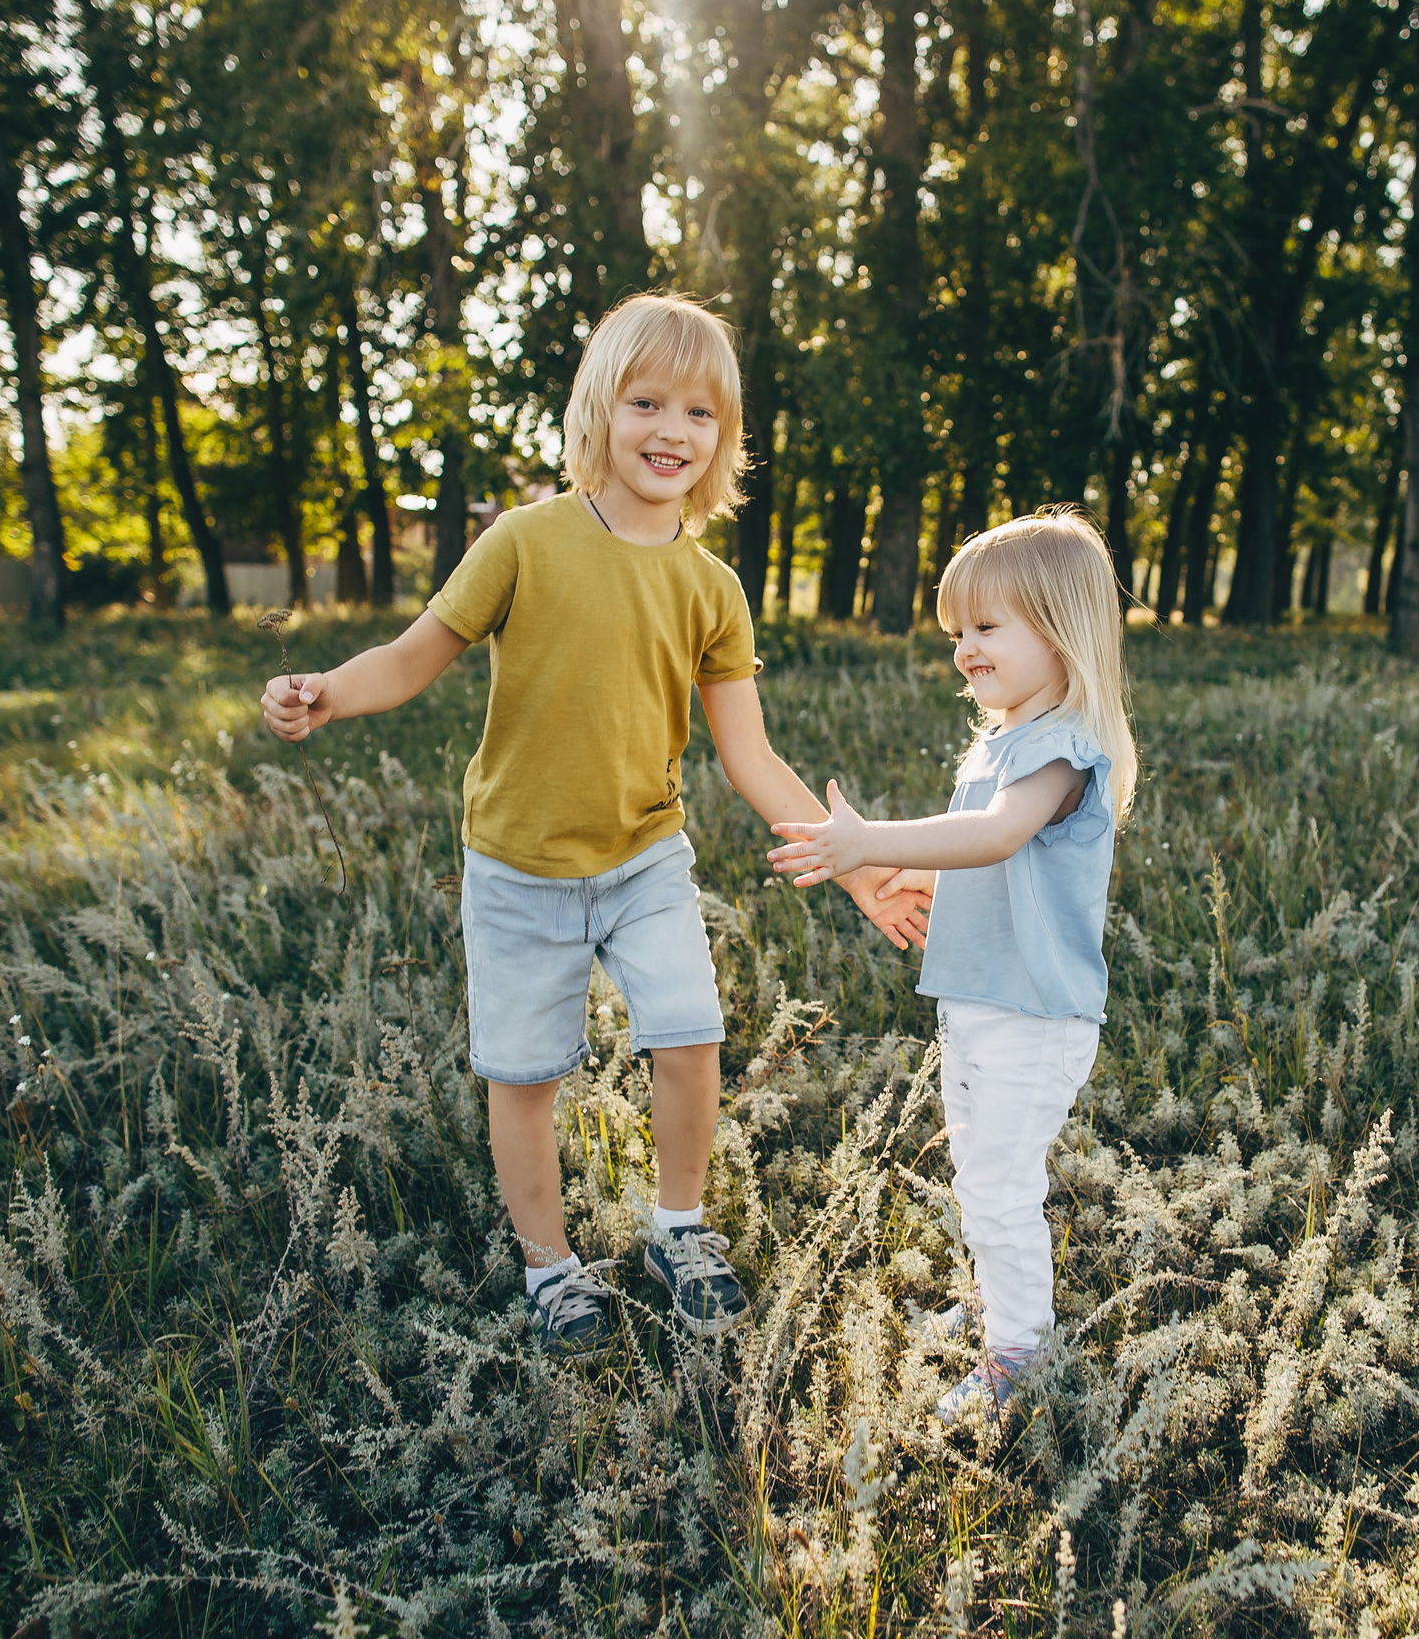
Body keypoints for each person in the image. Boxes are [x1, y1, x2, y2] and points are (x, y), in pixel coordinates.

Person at [260, 293, 928, 1360]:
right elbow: (414, 655)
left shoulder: (712, 587)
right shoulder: (524, 542)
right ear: (597, 411)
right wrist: (327, 692)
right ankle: (549, 1267)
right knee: (523, 1075)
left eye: (700, 413)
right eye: (646, 402)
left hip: (644, 856)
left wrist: (854, 863)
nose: (672, 430)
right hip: (518, 867)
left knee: (691, 1032)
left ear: (723, 439)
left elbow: (750, 756)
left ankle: (680, 1229)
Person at [766, 509, 1135, 1420]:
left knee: (1001, 1183)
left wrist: (870, 840)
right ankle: (995, 1303)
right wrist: (910, 871)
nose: (966, 648)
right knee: (976, 1170)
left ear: (1060, 631)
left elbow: (998, 834)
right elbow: (986, 857)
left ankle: (1020, 1355)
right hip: (978, 1003)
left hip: (1032, 1017)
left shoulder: (1062, 750)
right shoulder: (1003, 742)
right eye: (956, 632)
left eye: (987, 626)